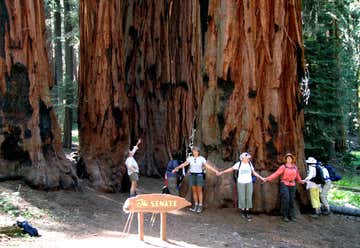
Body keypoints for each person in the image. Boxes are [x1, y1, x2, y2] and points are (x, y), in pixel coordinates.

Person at [172, 146, 219, 213]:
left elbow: (207, 166)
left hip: (199, 175)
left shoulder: (201, 158)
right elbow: (184, 164)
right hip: (192, 175)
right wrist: (177, 168)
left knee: (199, 191)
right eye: (193, 151)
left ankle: (200, 206)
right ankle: (196, 205)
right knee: (194, 191)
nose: (194, 152)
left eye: (195, 151)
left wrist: (215, 171)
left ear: (198, 152)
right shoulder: (190, 158)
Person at [218, 152, 264, 220]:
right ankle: (243, 212)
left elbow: (254, 172)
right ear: (242, 158)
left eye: (248, 158)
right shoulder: (238, 164)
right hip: (241, 182)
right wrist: (222, 172)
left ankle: (247, 212)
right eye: (247, 158)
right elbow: (231, 169)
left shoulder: (249, 164)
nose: (248, 159)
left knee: (248, 196)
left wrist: (261, 177)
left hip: (249, 182)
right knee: (242, 196)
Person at [264, 153, 305, 222]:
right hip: (284, 184)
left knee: (291, 200)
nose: (289, 159)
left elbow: (298, 176)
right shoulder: (283, 167)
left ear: (292, 159)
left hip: (292, 184)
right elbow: (276, 174)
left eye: (290, 158)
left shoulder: (295, 167)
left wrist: (301, 181)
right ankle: (285, 215)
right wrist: (267, 178)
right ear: (285, 159)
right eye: (287, 158)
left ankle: (291, 216)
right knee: (286, 199)